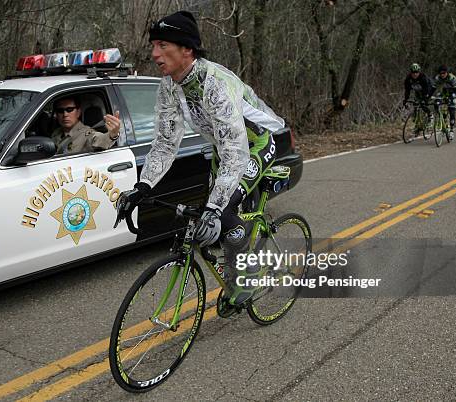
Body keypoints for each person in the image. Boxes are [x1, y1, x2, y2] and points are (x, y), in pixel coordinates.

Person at [117, 11, 285, 311]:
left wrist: (216, 207)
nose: (154, 53)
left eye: (162, 45)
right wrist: (142, 187)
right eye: (153, 45)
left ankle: (243, 279)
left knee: (222, 209)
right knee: (209, 217)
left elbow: (236, 153)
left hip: (255, 144)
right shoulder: (170, 85)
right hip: (224, 149)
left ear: (187, 49)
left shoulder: (215, 84)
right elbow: (166, 142)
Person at [50, 97, 121, 154]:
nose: (65, 114)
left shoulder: (86, 133)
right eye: (60, 110)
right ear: (56, 114)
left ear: (78, 112)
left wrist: (113, 135)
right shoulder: (56, 132)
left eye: (69, 109)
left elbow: (99, 140)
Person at [432, 65, 456, 140]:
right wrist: (428, 96)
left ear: (447, 72)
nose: (442, 75)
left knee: (451, 109)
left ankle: (451, 130)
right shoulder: (438, 78)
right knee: (436, 103)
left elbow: (455, 90)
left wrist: (452, 98)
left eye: (444, 73)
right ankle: (441, 119)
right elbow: (433, 88)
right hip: (444, 92)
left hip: (453, 92)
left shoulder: (451, 78)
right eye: (441, 73)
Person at [403, 63, 433, 129]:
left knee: (423, 104)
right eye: (413, 72)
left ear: (419, 72)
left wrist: (425, 98)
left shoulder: (423, 77)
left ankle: (430, 115)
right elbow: (407, 90)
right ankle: (417, 124)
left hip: (428, 89)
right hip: (418, 91)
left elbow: (427, 89)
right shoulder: (408, 79)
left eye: (416, 72)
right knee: (416, 105)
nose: (415, 74)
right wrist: (406, 99)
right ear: (411, 72)